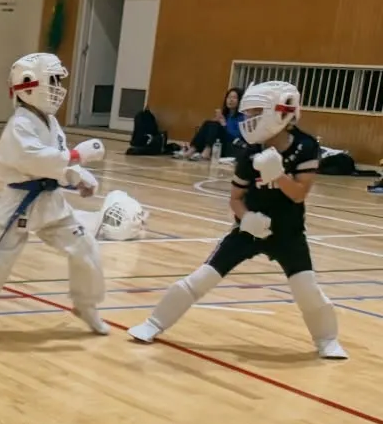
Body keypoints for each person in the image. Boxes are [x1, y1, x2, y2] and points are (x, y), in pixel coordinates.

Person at [129, 80, 345, 359]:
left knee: (307, 290)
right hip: (248, 230)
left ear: (281, 112)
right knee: (203, 277)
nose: (249, 120)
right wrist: (246, 219)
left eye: (256, 113)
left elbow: (299, 195)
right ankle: (153, 324)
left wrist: (278, 176)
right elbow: (235, 198)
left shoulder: (305, 147)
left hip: (289, 233)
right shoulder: (249, 151)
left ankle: (327, 340)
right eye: (248, 114)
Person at [0, 51, 109, 339]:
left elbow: (55, 165)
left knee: (85, 248)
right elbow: (36, 160)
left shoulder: (50, 123)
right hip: (20, 205)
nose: (57, 88)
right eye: (52, 80)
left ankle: (86, 304)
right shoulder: (20, 124)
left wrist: (76, 177)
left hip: (51, 203)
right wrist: (78, 157)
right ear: (29, 84)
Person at [180, 87, 243, 161]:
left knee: (215, 124)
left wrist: (224, 125)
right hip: (218, 144)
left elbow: (236, 138)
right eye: (229, 97)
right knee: (208, 123)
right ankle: (191, 150)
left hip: (230, 147)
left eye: (234, 98)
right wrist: (217, 123)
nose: (231, 100)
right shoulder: (225, 115)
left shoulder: (241, 117)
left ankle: (206, 152)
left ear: (239, 101)